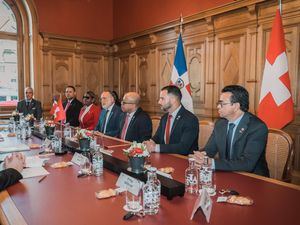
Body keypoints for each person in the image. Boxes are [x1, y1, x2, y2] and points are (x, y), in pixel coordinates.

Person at [193, 85, 269, 177]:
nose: (218, 106)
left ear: (236, 106)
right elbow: (210, 150)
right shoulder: (220, 124)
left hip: (253, 178)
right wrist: (201, 155)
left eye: (222, 103)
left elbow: (247, 164)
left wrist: (212, 163)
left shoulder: (257, 127)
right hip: (227, 174)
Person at [144, 85, 199, 155]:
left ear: (173, 100)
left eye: (162, 99)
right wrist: (149, 143)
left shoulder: (190, 119)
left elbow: (183, 148)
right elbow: (157, 137)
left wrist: (155, 148)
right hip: (165, 157)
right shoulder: (164, 117)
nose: (159, 102)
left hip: (183, 160)